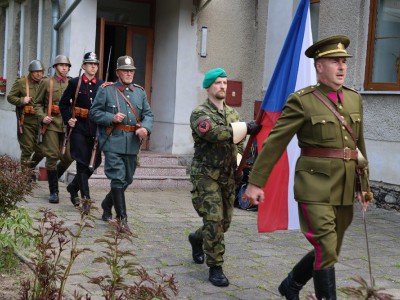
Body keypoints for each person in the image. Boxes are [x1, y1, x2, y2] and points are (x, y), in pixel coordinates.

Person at [245, 35, 371, 299]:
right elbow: (275, 142)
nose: (341, 67)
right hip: (315, 185)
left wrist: (364, 186)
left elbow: (358, 146)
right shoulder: (302, 101)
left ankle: (291, 284)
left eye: (344, 62)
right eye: (334, 61)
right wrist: (256, 182)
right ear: (319, 66)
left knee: (329, 248)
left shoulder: (353, 99)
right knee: (326, 246)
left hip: (345, 185)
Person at [188, 68, 261, 287]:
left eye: (225, 83)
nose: (223, 86)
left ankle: (197, 238)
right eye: (218, 83)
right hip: (206, 175)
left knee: (224, 223)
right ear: (208, 87)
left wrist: (240, 165)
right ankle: (216, 267)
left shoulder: (233, 114)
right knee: (214, 219)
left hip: (228, 176)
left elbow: (238, 144)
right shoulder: (200, 113)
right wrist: (245, 128)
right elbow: (214, 133)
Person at [89, 55, 153, 230]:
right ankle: (122, 219)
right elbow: (94, 113)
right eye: (125, 71)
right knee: (117, 178)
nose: (129, 73)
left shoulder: (139, 92)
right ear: (118, 72)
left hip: (132, 143)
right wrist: (111, 117)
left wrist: (145, 128)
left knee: (127, 179)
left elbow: (148, 114)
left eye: (131, 71)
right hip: (113, 141)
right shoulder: (106, 90)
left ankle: (106, 204)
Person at [59, 52, 104, 210]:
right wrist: (68, 119)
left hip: (95, 129)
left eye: (95, 64)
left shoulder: (102, 85)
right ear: (84, 66)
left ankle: (73, 187)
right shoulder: (75, 83)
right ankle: (86, 199)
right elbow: (63, 104)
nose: (93, 66)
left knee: (94, 163)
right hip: (78, 128)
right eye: (90, 63)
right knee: (82, 163)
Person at [34, 55, 77, 204]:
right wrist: (42, 116)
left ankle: (53, 179)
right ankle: (54, 191)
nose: (64, 68)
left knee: (69, 157)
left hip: (66, 124)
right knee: (52, 156)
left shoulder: (73, 83)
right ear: (55, 67)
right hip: (51, 124)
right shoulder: (47, 82)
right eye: (61, 65)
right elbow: (37, 103)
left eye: (67, 65)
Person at [7, 60, 45, 180]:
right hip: (26, 121)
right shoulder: (22, 82)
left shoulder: (45, 83)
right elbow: (10, 97)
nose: (39, 74)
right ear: (31, 72)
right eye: (36, 72)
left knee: (42, 150)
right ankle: (25, 177)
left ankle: (28, 169)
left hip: (41, 122)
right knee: (27, 149)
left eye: (41, 72)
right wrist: (22, 100)